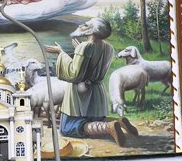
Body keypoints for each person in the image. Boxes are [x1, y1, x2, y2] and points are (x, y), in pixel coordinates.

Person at [45, 18, 137, 146]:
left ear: (93, 30)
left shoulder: (84, 47)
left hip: (80, 92)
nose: (82, 26)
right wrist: (79, 51)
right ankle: (120, 122)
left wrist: (61, 53)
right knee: (94, 118)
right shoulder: (108, 48)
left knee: (68, 127)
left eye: (86, 25)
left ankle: (108, 127)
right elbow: (92, 62)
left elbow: (74, 73)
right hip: (96, 90)